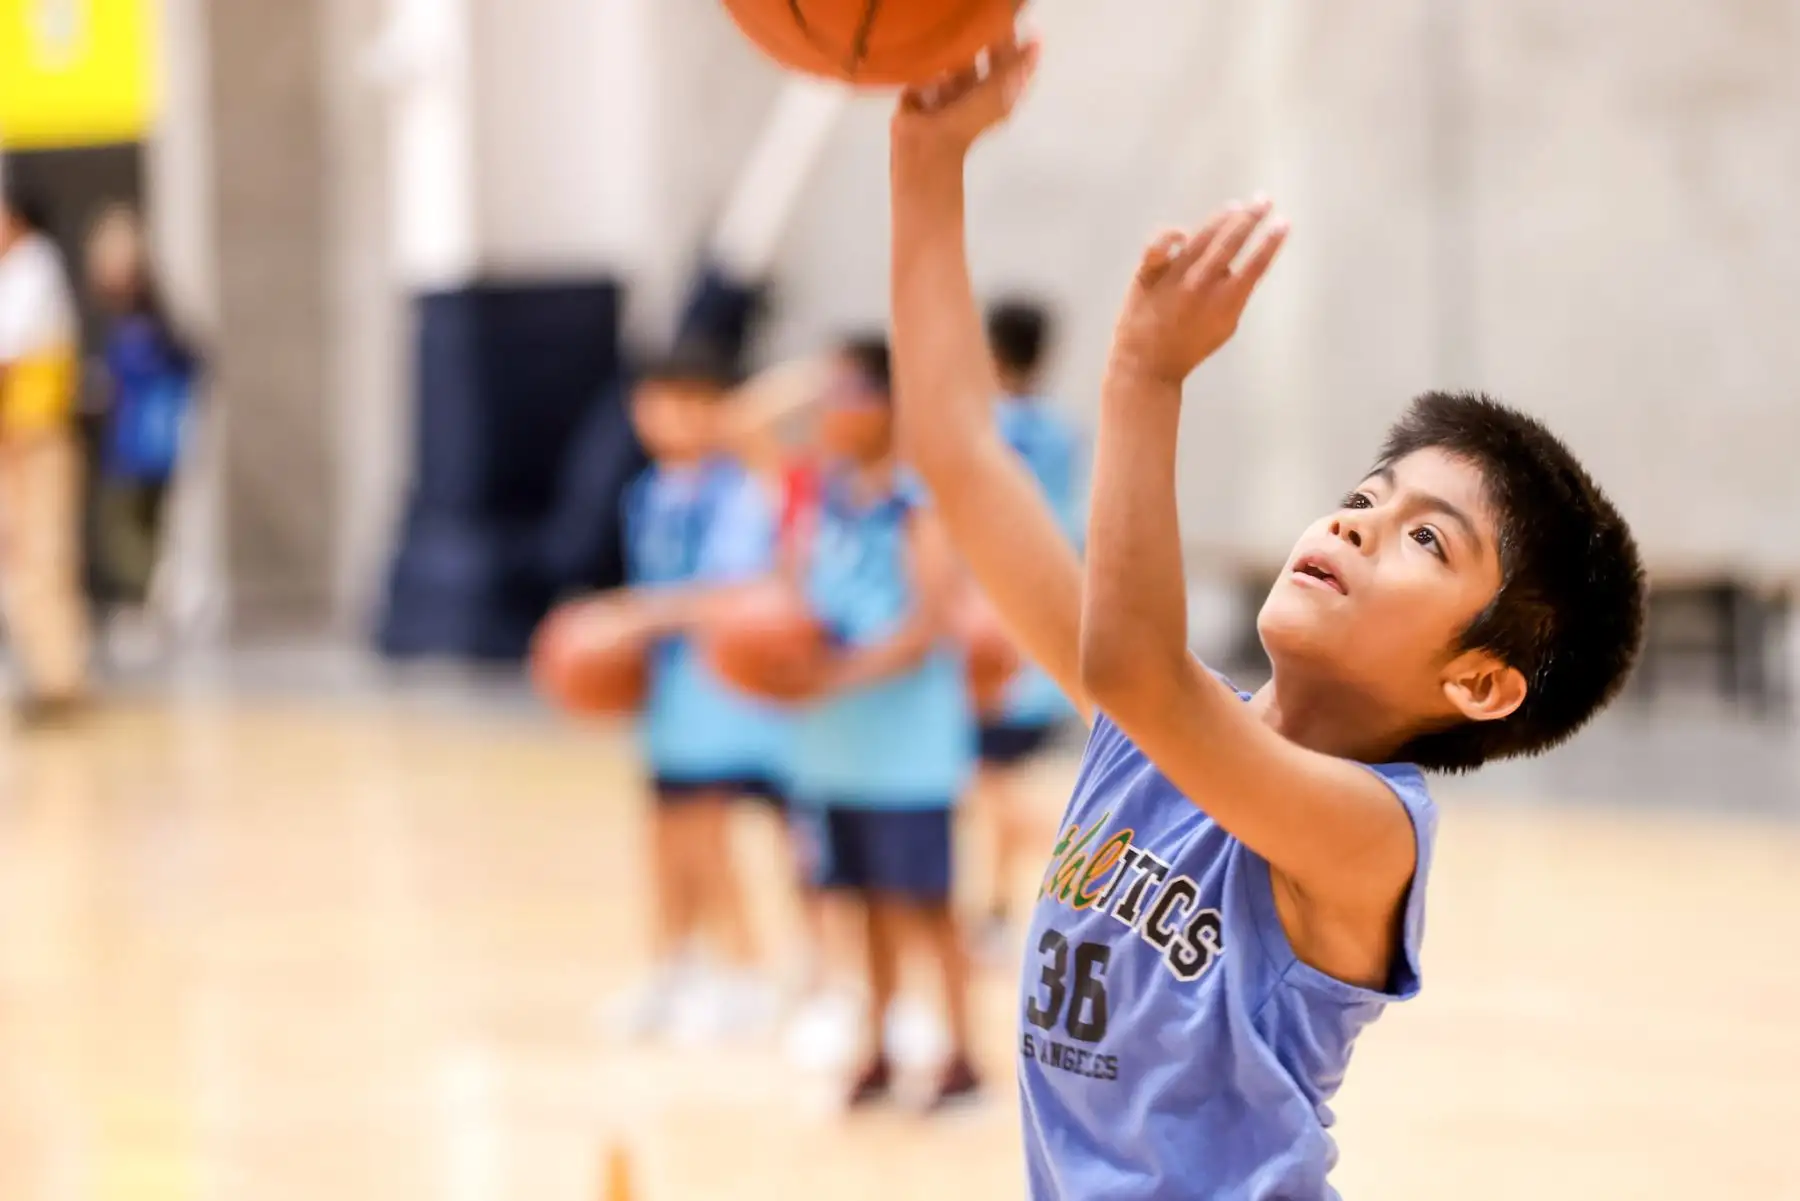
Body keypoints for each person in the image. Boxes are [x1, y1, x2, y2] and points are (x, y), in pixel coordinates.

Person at [888, 36, 1645, 1199]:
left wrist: (1145, 376)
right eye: (1364, 499)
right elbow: (958, 453)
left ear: (1484, 680)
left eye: (1426, 540)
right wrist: (925, 161)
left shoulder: (1371, 836)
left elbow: (1137, 668)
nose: (1355, 527)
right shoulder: (1142, 735)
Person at [783, 335, 981, 1110]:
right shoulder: (823, 496)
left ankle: (963, 1053)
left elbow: (928, 623)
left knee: (927, 905)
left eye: (845, 395)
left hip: (908, 749)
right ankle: (879, 1046)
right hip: (837, 745)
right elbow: (793, 596)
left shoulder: (917, 500)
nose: (828, 412)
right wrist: (782, 658)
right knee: (857, 901)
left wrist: (834, 673)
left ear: (888, 405)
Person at [601, 341, 797, 1042]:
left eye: (693, 404)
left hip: (730, 694)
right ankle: (672, 966)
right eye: (660, 402)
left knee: (714, 834)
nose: (674, 418)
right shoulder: (646, 493)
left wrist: (633, 616)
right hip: (674, 694)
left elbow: (734, 591)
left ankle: (749, 971)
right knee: (664, 833)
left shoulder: (742, 488)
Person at [973, 297, 1085, 955]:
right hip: (1046, 615)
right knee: (999, 779)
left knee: (987, 781)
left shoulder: (988, 429)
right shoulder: (1059, 428)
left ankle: (1099, 869)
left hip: (999, 622)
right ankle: (994, 911)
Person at [84, 204, 200, 643]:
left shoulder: (147, 321)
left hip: (141, 443)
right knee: (132, 527)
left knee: (129, 531)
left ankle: (147, 604)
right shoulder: (134, 319)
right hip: (137, 441)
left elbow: (181, 366)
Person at [0, 181, 91, 726]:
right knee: (20, 554)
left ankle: (59, 677)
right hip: (17, 437)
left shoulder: (34, 267)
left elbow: (7, 348)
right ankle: (44, 672)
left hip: (39, 437)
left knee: (44, 553)